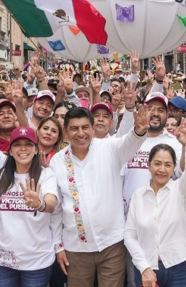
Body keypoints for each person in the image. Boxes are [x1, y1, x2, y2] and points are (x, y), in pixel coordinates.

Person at [51, 106, 150, 287]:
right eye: (74, 128)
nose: (80, 133)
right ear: (65, 132)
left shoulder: (110, 147)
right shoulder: (57, 161)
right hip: (76, 248)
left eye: (85, 127)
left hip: (112, 244)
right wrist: (58, 245)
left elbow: (130, 142)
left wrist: (139, 131)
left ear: (93, 128)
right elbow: (56, 208)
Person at [125, 113, 186, 287]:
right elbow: (130, 236)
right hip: (147, 267)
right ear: (148, 165)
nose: (162, 169)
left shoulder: (180, 189)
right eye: (157, 163)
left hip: (180, 266)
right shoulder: (138, 195)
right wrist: (144, 268)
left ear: (174, 167)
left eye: (168, 165)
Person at [0, 126, 58, 287]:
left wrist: (39, 204)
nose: (23, 149)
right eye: (17, 144)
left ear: (36, 150)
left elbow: (51, 203)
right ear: (11, 151)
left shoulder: (46, 175)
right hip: (2, 260)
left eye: (28, 144)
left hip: (36, 261)